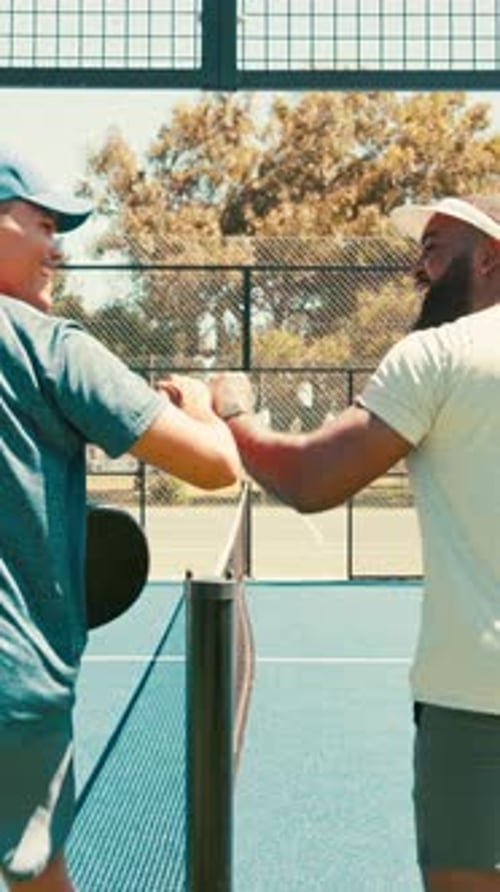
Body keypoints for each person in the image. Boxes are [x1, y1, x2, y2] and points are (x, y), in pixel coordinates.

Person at [208, 194, 500, 892]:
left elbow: (309, 478)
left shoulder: (437, 355)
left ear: (490, 256)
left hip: (475, 704)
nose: (416, 268)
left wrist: (232, 415)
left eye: (433, 248)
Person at [0, 147, 241, 892]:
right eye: (42, 224)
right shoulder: (52, 349)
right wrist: (204, 414)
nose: (57, 246)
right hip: (17, 687)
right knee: (36, 874)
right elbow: (215, 466)